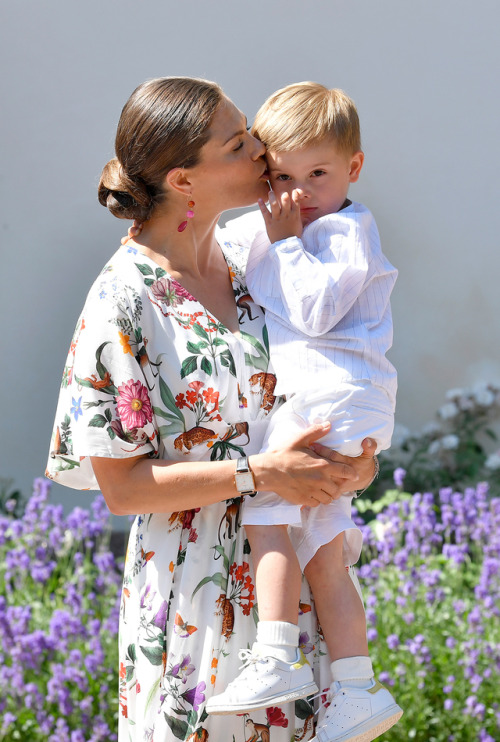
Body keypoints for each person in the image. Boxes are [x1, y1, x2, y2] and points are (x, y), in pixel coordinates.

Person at [46, 76, 379, 742]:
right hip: (193, 608)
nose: (262, 151)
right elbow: (122, 488)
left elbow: (321, 386)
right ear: (184, 180)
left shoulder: (257, 261)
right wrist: (264, 475)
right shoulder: (124, 302)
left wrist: (349, 467)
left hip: (295, 608)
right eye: (238, 143)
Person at [206, 83, 403, 742]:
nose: (299, 191)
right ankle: (356, 688)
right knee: (322, 552)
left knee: (268, 512)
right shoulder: (275, 223)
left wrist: (288, 241)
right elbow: (227, 252)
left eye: (318, 173)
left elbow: (315, 310)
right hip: (329, 398)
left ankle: (276, 654)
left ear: (354, 167)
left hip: (334, 393)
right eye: (283, 176)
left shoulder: (346, 230)